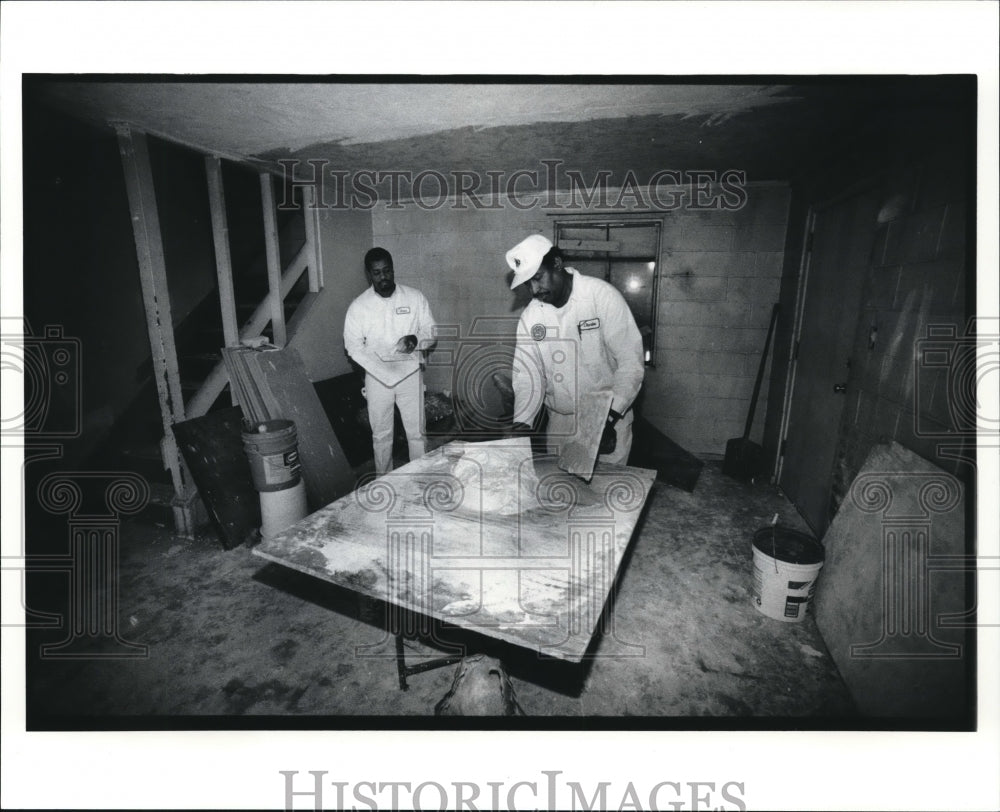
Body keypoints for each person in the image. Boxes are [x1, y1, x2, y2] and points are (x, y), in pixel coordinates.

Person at [507, 234, 645, 466]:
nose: (534, 289)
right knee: (559, 495)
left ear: (558, 264)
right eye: (527, 283)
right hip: (561, 422)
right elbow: (528, 377)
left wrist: (607, 418)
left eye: (538, 278)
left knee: (606, 495)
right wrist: (522, 423)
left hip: (608, 418)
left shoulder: (601, 297)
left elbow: (630, 363)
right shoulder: (532, 317)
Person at [344, 247, 436, 475]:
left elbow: (431, 331)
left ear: (393, 269)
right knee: (382, 435)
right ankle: (384, 481)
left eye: (387, 271)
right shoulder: (359, 306)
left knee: (417, 432)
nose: (383, 277)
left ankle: (420, 478)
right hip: (377, 378)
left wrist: (416, 339)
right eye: (377, 273)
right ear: (369, 274)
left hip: (410, 374)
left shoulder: (414, 298)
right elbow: (352, 345)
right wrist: (374, 364)